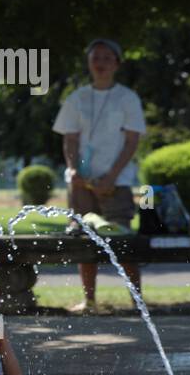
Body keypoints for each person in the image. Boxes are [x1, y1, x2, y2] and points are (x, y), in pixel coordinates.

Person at [53, 38, 146, 312]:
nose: (101, 62)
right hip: (82, 182)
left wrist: (111, 176)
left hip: (117, 182)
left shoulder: (128, 98)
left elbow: (131, 141)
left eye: (107, 58)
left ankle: (137, 301)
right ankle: (89, 300)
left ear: (116, 63)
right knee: (84, 239)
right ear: (89, 62)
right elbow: (70, 139)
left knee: (123, 241)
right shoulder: (77, 97)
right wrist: (74, 170)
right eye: (96, 57)